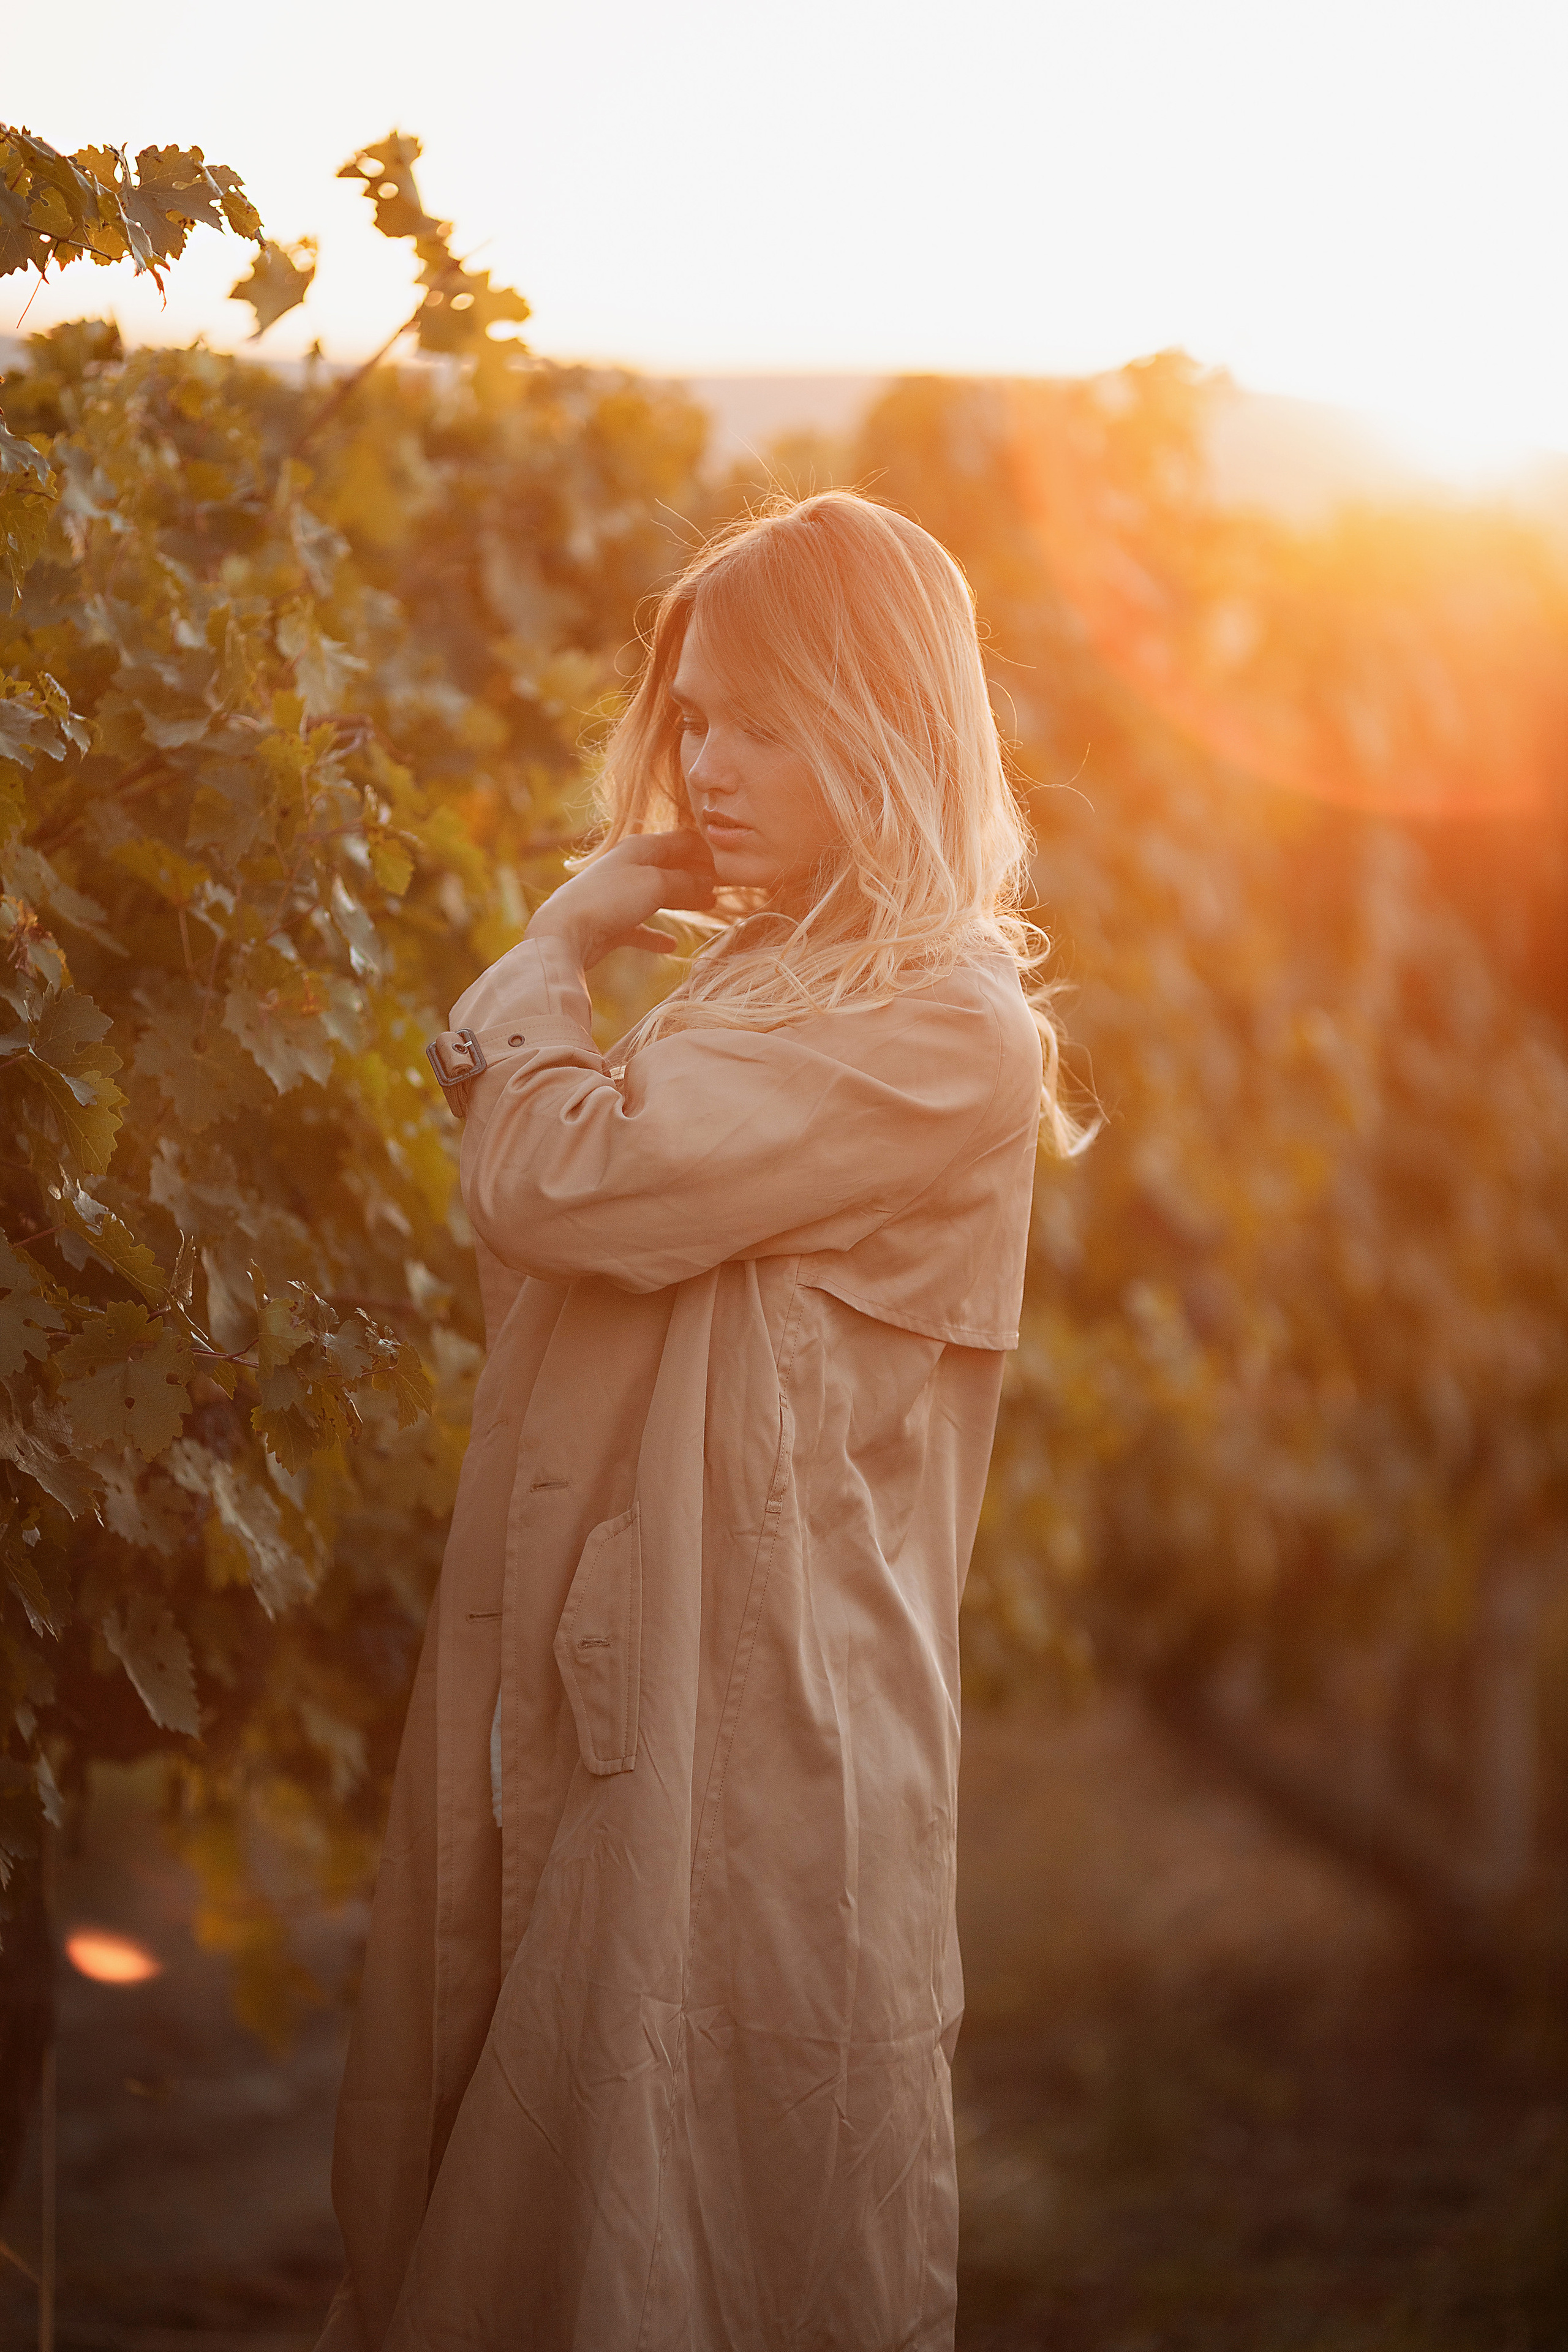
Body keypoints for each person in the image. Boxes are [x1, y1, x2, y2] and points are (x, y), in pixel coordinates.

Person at [318, 491, 1076, 2352]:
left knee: (690, 2205)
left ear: (889, 724)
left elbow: (566, 1183)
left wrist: (557, 949)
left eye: (768, 721)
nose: (708, 769)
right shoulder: (764, 980)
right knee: (559, 2170)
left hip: (767, 1723)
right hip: (642, 1667)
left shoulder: (943, 1026)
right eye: (697, 718)